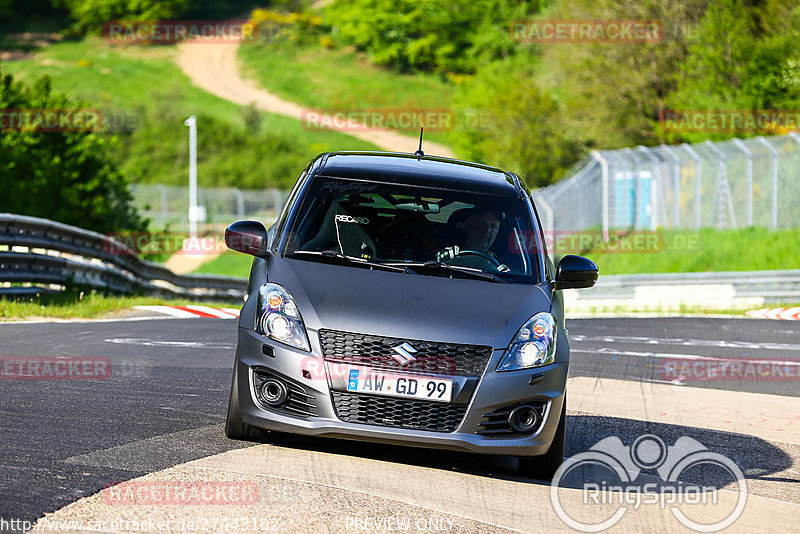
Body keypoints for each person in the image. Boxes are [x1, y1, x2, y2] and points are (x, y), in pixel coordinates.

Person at [436, 206, 510, 271]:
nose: (487, 230)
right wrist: (440, 262)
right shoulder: (448, 253)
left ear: (498, 231)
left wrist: (505, 276)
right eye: (482, 224)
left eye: (493, 227)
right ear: (469, 223)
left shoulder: (502, 263)